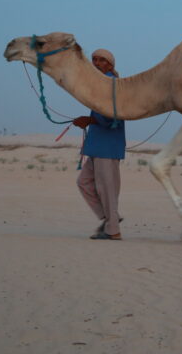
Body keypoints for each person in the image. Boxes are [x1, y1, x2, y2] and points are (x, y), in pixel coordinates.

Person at [72, 48, 126, 240]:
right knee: (83, 182)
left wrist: (89, 120)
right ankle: (111, 218)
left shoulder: (113, 85)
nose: (96, 63)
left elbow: (114, 116)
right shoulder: (99, 85)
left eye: (101, 60)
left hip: (108, 145)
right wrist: (89, 120)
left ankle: (113, 231)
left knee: (107, 188)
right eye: (94, 59)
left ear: (110, 65)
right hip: (97, 145)